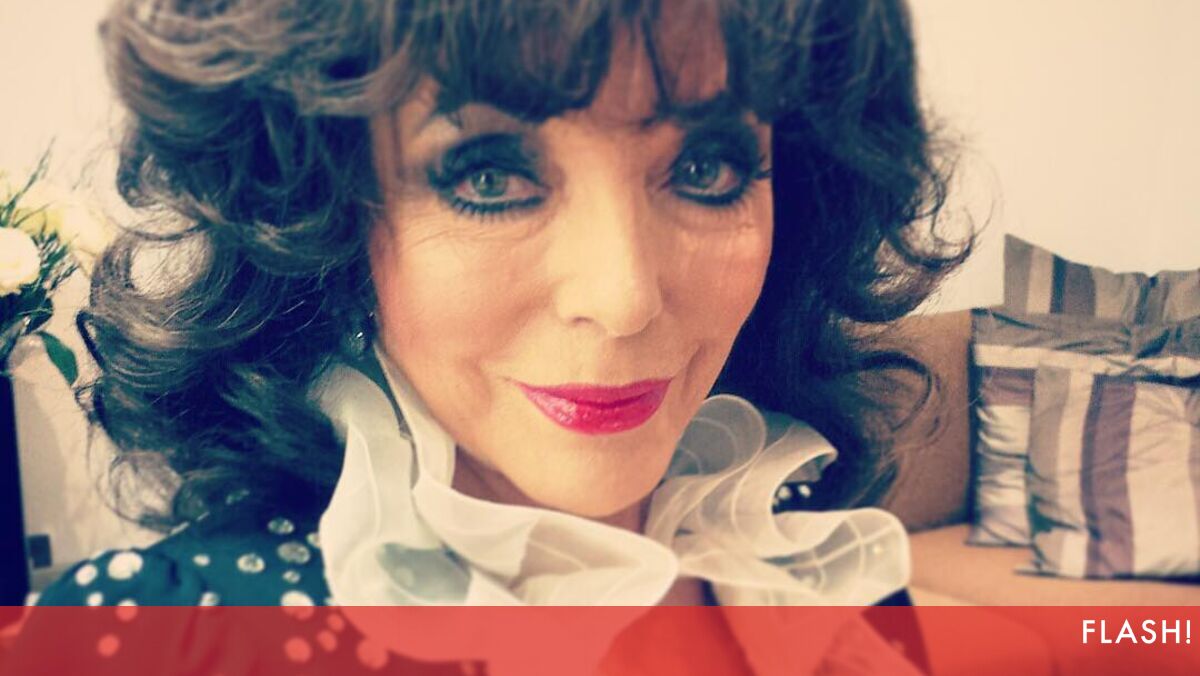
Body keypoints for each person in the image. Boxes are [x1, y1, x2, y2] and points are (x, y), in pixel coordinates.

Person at [19, 0, 966, 671]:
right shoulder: (156, 640)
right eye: (488, 177)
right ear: (326, 213)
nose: (623, 298)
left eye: (707, 169)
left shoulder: (818, 565)